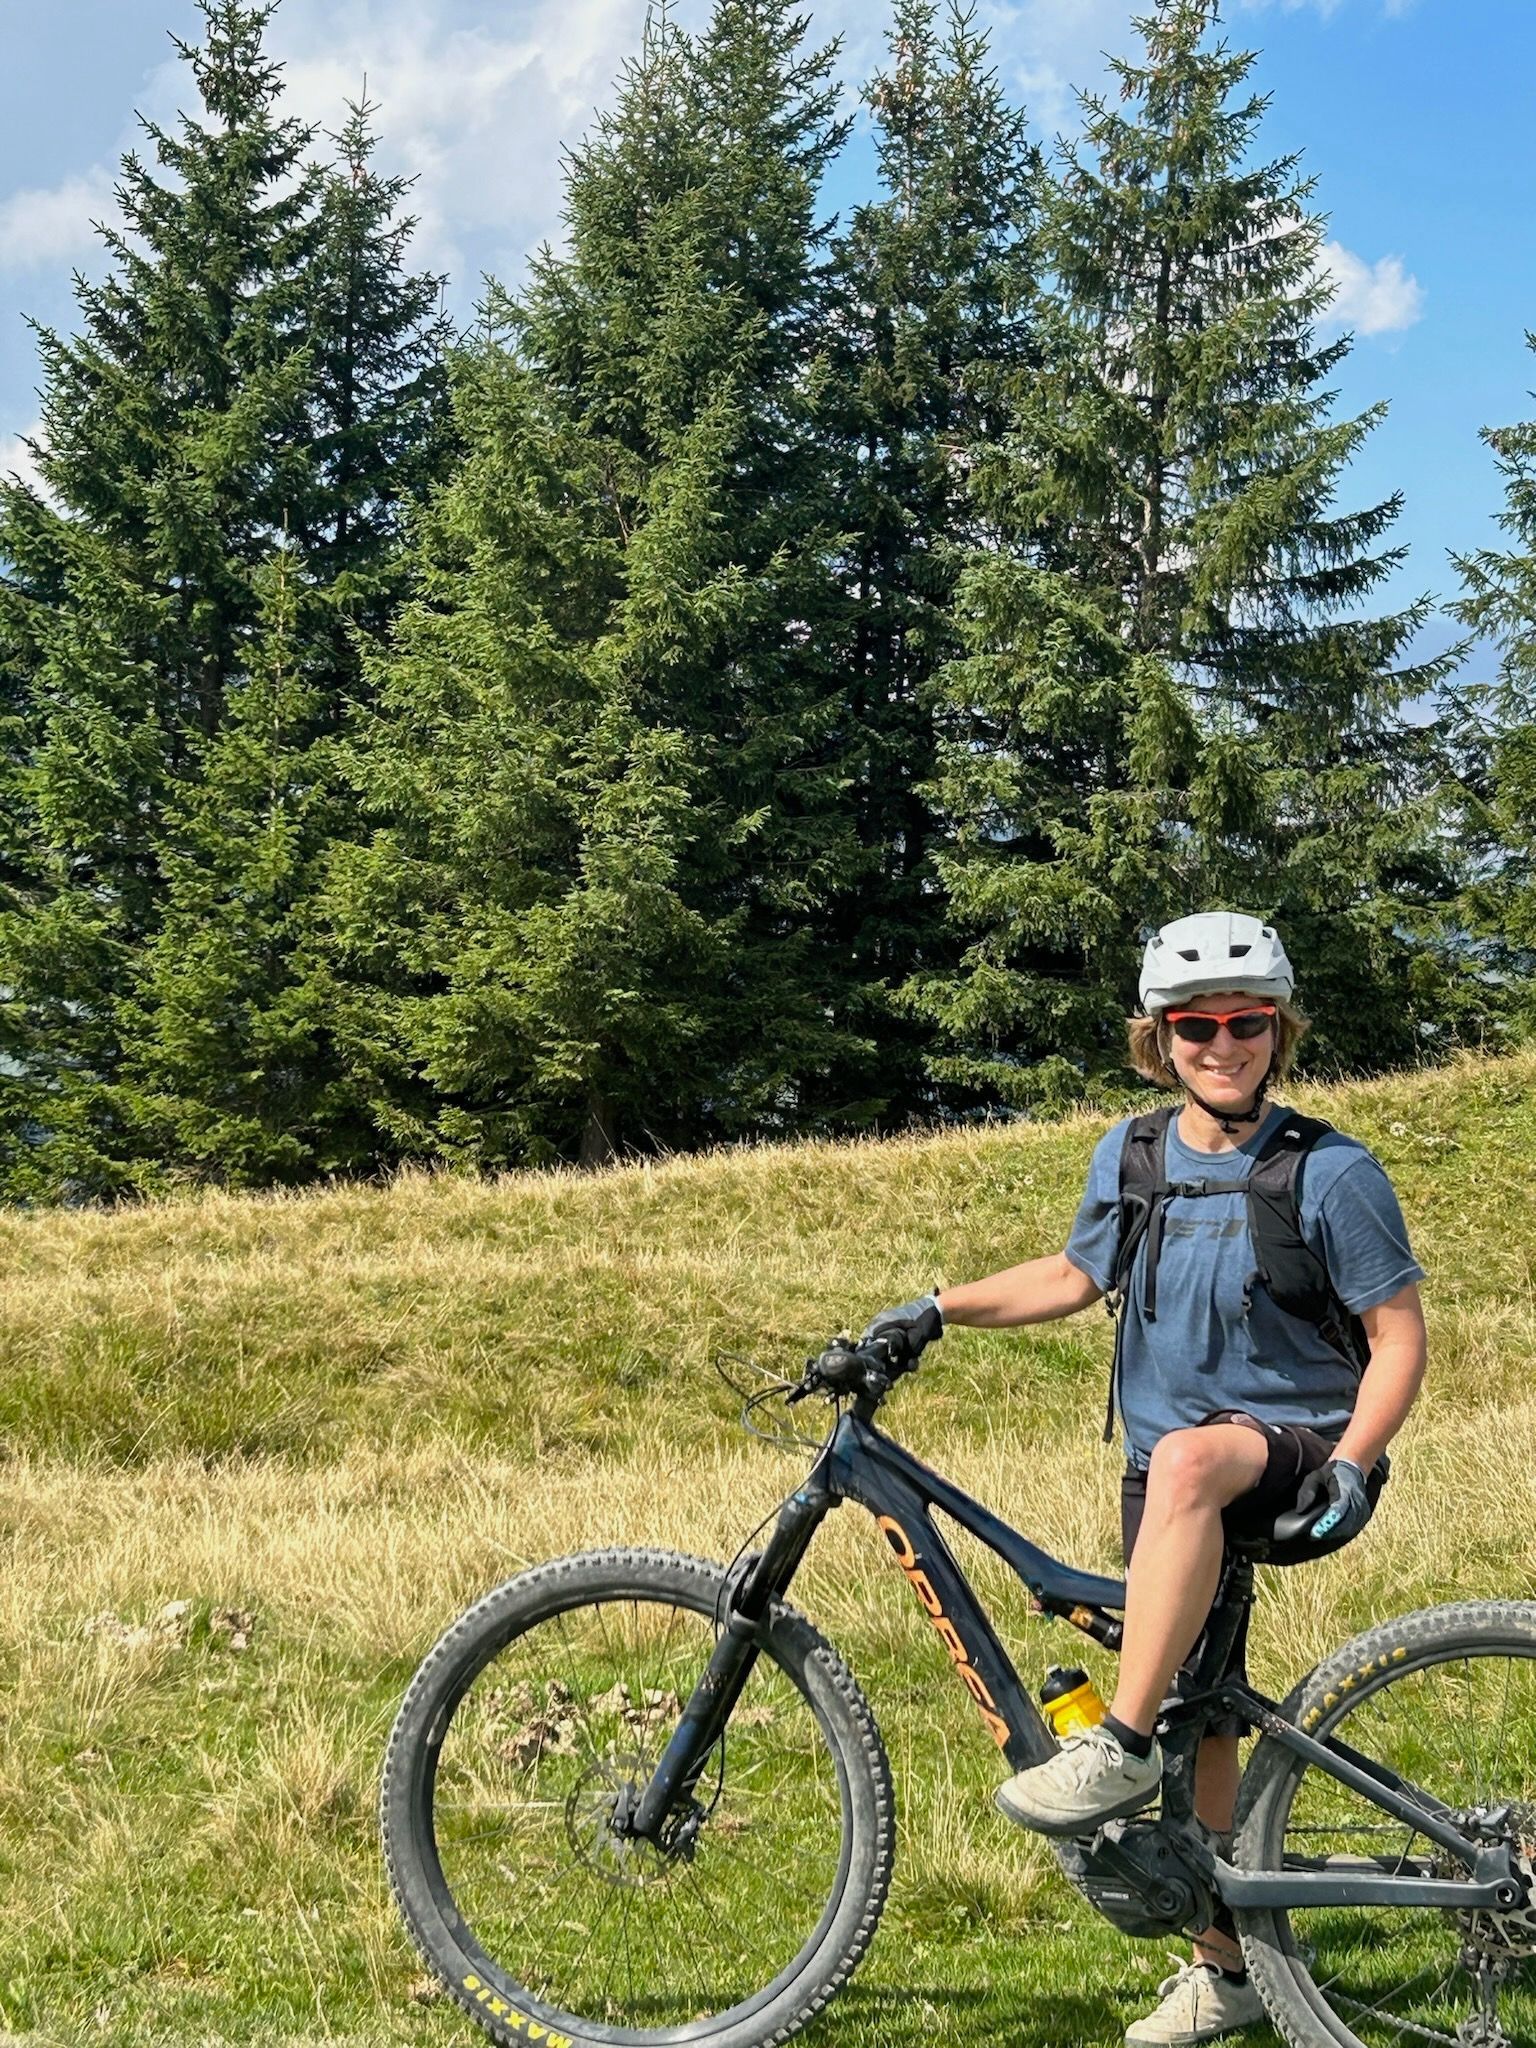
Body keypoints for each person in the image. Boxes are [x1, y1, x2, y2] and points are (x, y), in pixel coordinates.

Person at [863, 910, 1426, 2047]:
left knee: (1186, 1464)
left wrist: (1358, 1461)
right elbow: (1075, 1274)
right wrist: (937, 1306)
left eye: (1247, 1021)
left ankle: (1108, 1751)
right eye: (1198, 1024)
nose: (1224, 1043)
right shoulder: (1131, 1155)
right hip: (1171, 1482)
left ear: (1279, 1030)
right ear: (1160, 1037)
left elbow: (1400, 1334)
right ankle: (1225, 1964)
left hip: (1295, 1452)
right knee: (1200, 1713)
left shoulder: (1330, 1170)